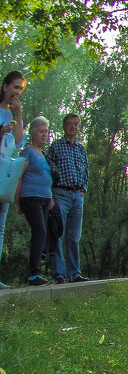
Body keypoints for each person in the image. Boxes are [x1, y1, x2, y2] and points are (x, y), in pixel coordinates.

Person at [46, 112, 90, 283]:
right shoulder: (56, 146)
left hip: (77, 195)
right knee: (58, 233)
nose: (73, 126)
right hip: (61, 193)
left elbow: (86, 170)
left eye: (76, 123)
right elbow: (48, 167)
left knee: (74, 236)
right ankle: (59, 274)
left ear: (79, 126)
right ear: (64, 127)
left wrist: (83, 189)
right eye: (70, 123)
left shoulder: (81, 148)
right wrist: (51, 192)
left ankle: (75, 273)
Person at [14, 116, 54, 286]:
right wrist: (17, 201)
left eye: (46, 131)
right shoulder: (28, 152)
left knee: (43, 232)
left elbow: (47, 177)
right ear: (32, 133)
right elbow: (18, 177)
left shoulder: (43, 155)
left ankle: (38, 270)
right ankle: (33, 274)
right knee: (39, 230)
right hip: (30, 197)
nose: (44, 135)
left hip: (45, 199)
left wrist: (51, 196)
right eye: (41, 131)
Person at [0, 70, 26, 290]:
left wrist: (17, 117)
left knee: (0, 228)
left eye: (21, 89)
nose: (17, 92)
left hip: (5, 176)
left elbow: (18, 145)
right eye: (15, 87)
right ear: (5, 86)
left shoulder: (13, 114)